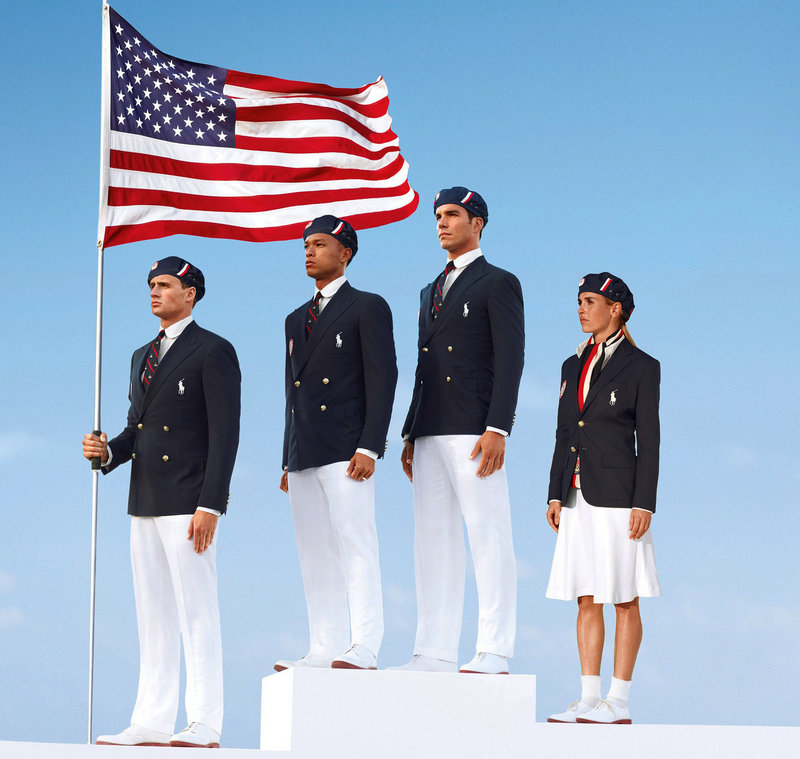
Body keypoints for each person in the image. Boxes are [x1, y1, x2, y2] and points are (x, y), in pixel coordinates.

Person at [82, 257, 240, 748]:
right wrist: (108, 451)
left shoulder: (214, 351)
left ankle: (205, 722)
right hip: (145, 498)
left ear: (190, 292)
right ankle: (150, 720)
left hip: (190, 500)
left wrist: (211, 504)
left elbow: (225, 433)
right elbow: (139, 430)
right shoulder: (140, 356)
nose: (155, 292)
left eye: (165, 284)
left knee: (197, 614)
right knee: (152, 616)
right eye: (151, 284)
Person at [393, 187, 525, 675]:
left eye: (452, 215)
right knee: (431, 540)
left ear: (479, 222)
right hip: (429, 428)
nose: (442, 224)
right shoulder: (430, 290)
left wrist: (498, 427)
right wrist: (410, 432)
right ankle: (434, 650)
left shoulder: (498, 282)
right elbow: (422, 365)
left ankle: (494, 649)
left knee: (488, 535)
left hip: (475, 428)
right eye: (438, 216)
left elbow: (511, 359)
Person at [276, 215, 397, 672]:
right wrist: (287, 457)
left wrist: (370, 445)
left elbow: (383, 378)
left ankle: (365, 644)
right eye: (305, 244)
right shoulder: (294, 319)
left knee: (356, 544)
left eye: (320, 244)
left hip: (348, 448)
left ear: (345, 252)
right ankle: (323, 645)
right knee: (313, 550)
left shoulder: (368, 306)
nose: (309, 251)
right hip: (304, 450)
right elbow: (292, 391)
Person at [545, 272, 661, 725]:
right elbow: (563, 432)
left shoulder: (643, 366)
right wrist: (554, 493)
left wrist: (644, 503)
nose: (581, 308)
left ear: (615, 308)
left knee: (625, 597)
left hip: (619, 497)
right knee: (585, 596)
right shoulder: (570, 365)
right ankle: (589, 698)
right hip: (575, 496)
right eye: (579, 301)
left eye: (590, 301)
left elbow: (649, 440)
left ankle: (620, 701)